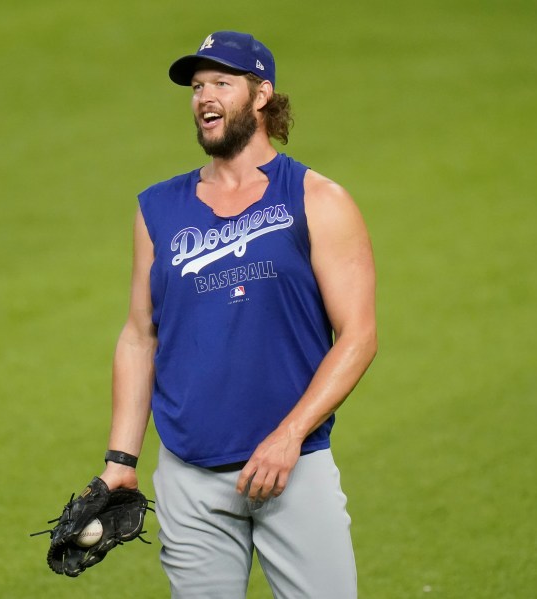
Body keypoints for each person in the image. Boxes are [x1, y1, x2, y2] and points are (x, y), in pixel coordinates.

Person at [97, 31, 377, 598]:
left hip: (293, 466)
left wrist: (289, 435)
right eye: (198, 87)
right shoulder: (157, 208)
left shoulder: (317, 200)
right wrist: (120, 459)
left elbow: (359, 335)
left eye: (222, 83)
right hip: (190, 476)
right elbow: (138, 336)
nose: (205, 98)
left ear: (261, 95)